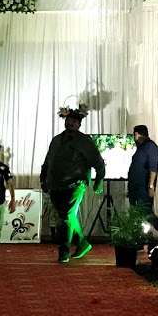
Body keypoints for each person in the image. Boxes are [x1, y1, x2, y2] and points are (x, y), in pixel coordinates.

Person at [40, 107, 106, 263]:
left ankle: (63, 251)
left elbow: (98, 162)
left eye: (74, 121)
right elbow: (48, 161)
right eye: (68, 120)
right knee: (66, 217)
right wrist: (43, 179)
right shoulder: (56, 140)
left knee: (66, 217)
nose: (70, 123)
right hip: (55, 184)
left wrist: (99, 181)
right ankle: (82, 243)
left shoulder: (84, 141)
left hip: (75, 184)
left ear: (79, 124)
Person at [127, 125, 158, 247]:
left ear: (137, 134)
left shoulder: (150, 147)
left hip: (143, 188)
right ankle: (139, 240)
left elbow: (153, 168)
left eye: (134, 135)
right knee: (137, 214)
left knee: (147, 213)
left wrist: (151, 186)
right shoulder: (141, 147)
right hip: (135, 188)